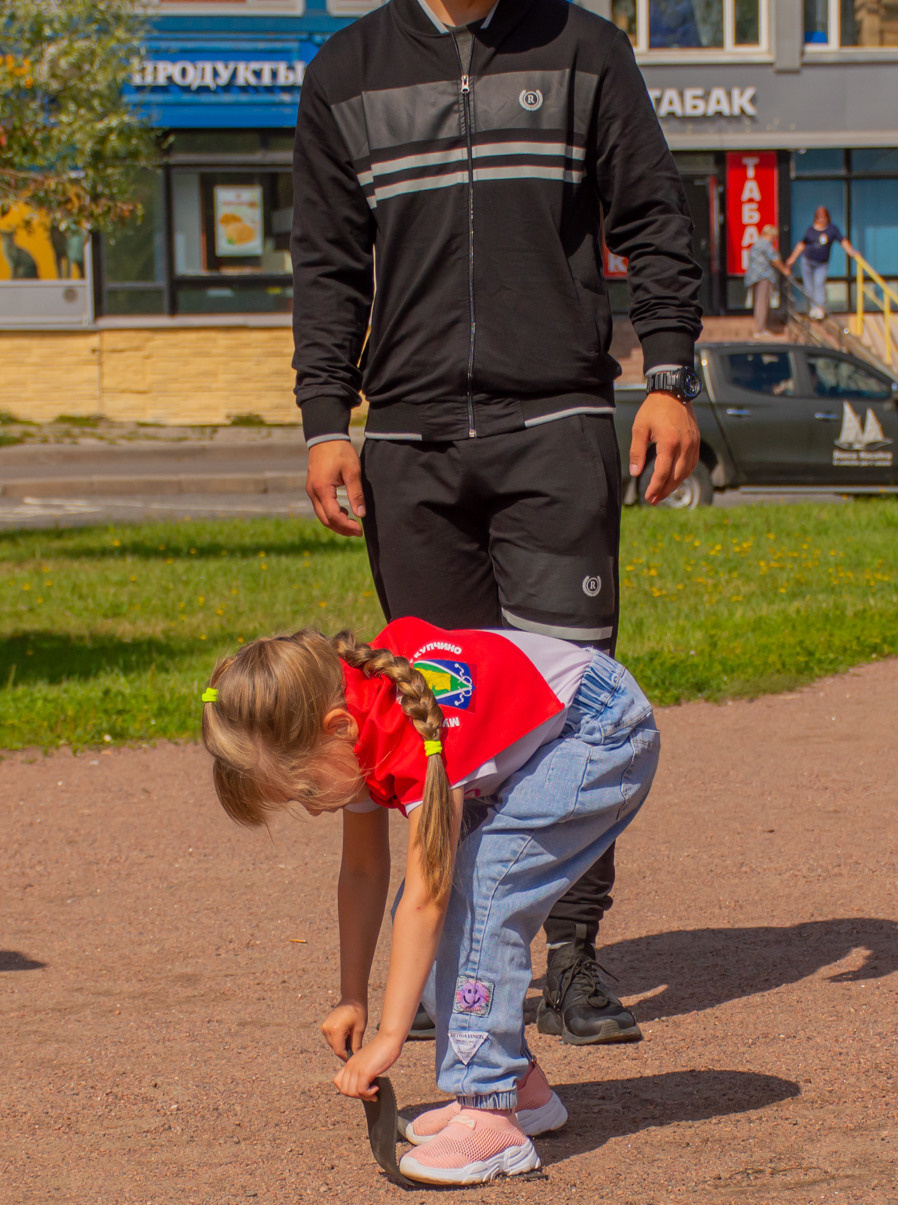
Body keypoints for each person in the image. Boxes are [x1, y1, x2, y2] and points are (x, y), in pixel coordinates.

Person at [292, 0, 701, 1047]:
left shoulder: (583, 49)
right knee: (439, 719)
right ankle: (460, 962)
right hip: (409, 440)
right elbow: (328, 263)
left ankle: (571, 959)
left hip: (554, 423)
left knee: (566, 707)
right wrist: (323, 420)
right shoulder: (348, 70)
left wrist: (667, 377)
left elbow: (653, 216)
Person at [200, 620, 658, 1185]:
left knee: (475, 900)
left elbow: (430, 895)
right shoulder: (350, 718)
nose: (314, 809)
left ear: (337, 728)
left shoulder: (413, 732)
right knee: (440, 912)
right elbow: (364, 871)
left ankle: (493, 1116)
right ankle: (521, 1089)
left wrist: (391, 1038)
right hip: (555, 737)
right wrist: (352, 997)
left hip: (602, 732)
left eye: (307, 792)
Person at [793, 206, 845, 319]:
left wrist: (852, 252)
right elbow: (802, 244)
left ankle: (820, 308)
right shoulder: (810, 230)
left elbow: (843, 241)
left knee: (819, 284)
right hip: (807, 262)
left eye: (823, 217)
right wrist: (792, 259)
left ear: (827, 217)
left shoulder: (832, 229)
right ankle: (813, 308)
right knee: (809, 287)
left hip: (821, 264)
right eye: (818, 217)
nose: (821, 219)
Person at [743, 220, 781, 333]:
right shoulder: (765, 244)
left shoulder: (756, 244)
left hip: (754, 277)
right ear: (769, 235)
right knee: (762, 302)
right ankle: (760, 329)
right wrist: (785, 270)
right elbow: (775, 259)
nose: (774, 239)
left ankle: (760, 327)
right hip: (763, 276)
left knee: (758, 302)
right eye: (774, 237)